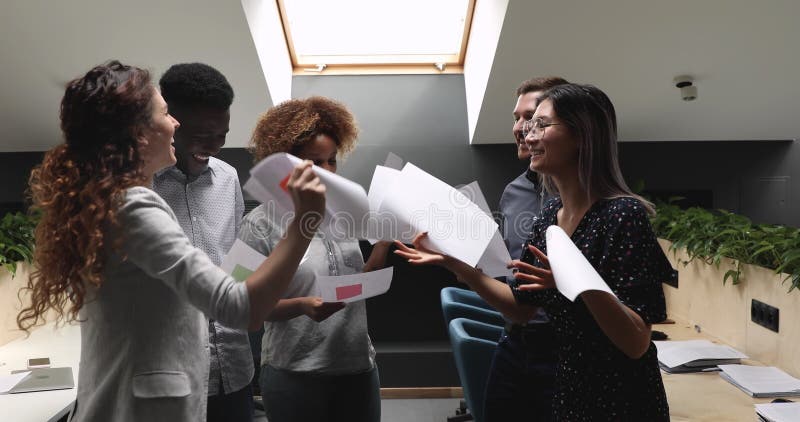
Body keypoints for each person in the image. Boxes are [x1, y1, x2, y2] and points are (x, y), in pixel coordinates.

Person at [17, 61, 326, 422]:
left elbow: (231, 271)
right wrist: (305, 221)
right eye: (166, 113)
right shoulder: (133, 206)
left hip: (215, 374)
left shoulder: (117, 197)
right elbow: (241, 307)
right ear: (140, 133)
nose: (174, 123)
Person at [395, 84, 672, 420]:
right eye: (527, 125)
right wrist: (457, 263)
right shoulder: (550, 214)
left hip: (620, 399)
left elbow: (636, 342)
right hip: (572, 390)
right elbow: (521, 308)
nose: (527, 135)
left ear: (582, 135)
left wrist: (576, 284)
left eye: (541, 125)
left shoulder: (623, 215)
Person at [239, 96, 388, 422]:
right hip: (295, 374)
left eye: (332, 161)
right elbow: (240, 304)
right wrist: (302, 306)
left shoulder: (345, 214)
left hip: (358, 368)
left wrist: (382, 248)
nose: (326, 172)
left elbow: (351, 283)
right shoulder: (259, 223)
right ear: (287, 164)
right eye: (314, 162)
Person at [153, 63, 253, 422]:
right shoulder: (139, 189)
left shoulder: (228, 179)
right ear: (171, 124)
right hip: (171, 374)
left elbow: (235, 259)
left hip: (235, 367)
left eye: (222, 135)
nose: (213, 147)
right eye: (202, 135)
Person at [483, 76, 569, 422]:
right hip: (517, 339)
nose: (521, 128)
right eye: (517, 118)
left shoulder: (592, 200)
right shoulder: (513, 192)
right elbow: (508, 268)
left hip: (564, 348)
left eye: (532, 118)